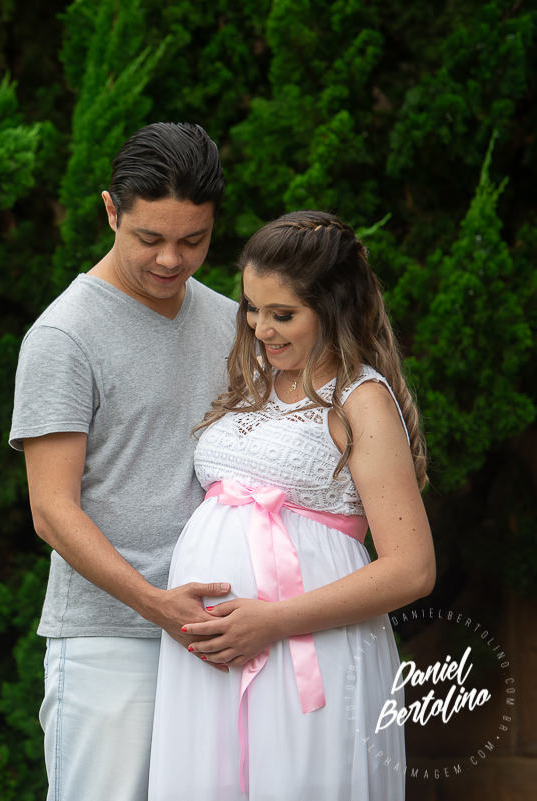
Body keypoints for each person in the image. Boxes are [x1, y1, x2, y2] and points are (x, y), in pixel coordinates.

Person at [146, 210, 436, 800]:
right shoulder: (250, 382)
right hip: (212, 658)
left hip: (307, 650)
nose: (261, 328)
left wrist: (271, 621)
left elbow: (413, 568)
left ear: (335, 310)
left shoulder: (360, 401)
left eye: (283, 315)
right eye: (252, 309)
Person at [9, 122, 238, 801]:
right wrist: (155, 604)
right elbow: (52, 509)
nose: (171, 259)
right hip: (110, 641)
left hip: (215, 637)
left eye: (192, 240)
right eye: (149, 238)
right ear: (111, 211)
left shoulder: (231, 322)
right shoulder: (63, 336)